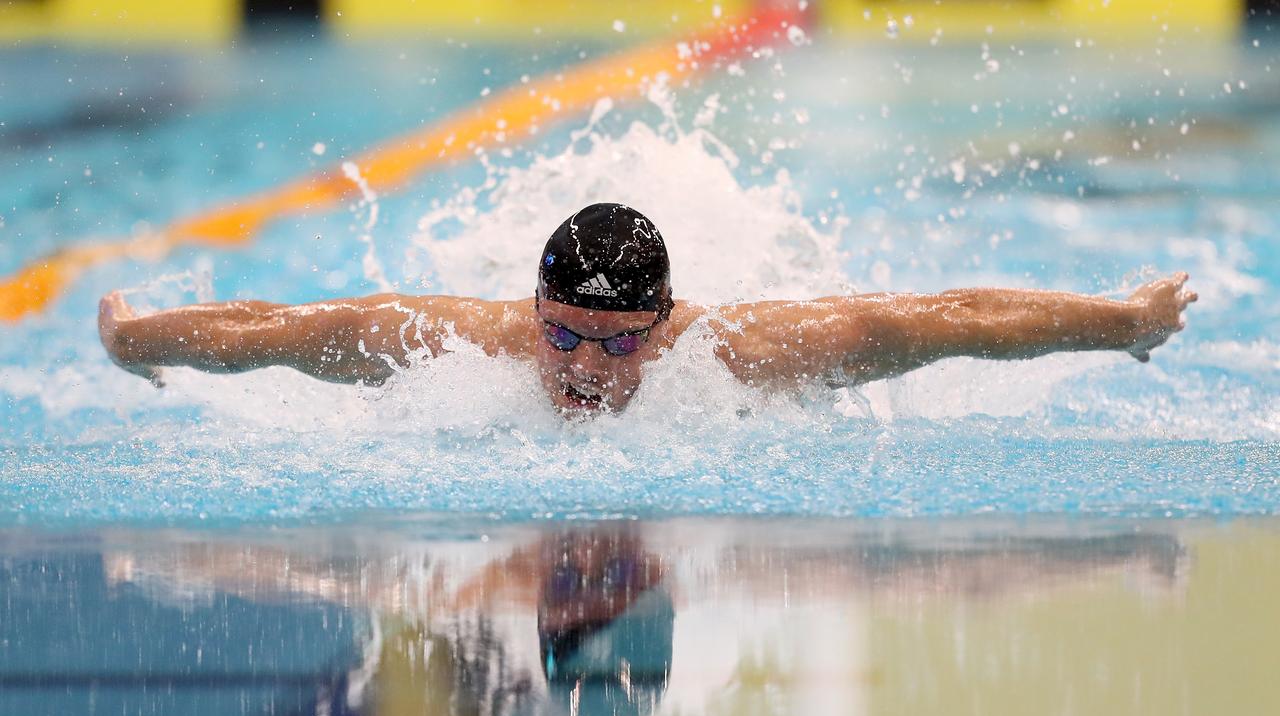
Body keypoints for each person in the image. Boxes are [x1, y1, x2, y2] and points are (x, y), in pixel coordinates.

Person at [98, 202, 1197, 414]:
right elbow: (279, 333)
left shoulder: (748, 355)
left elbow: (946, 316)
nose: (582, 367)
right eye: (561, 334)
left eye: (619, 345)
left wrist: (1121, 323)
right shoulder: (457, 342)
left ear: (663, 328)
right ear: (531, 308)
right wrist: (133, 339)